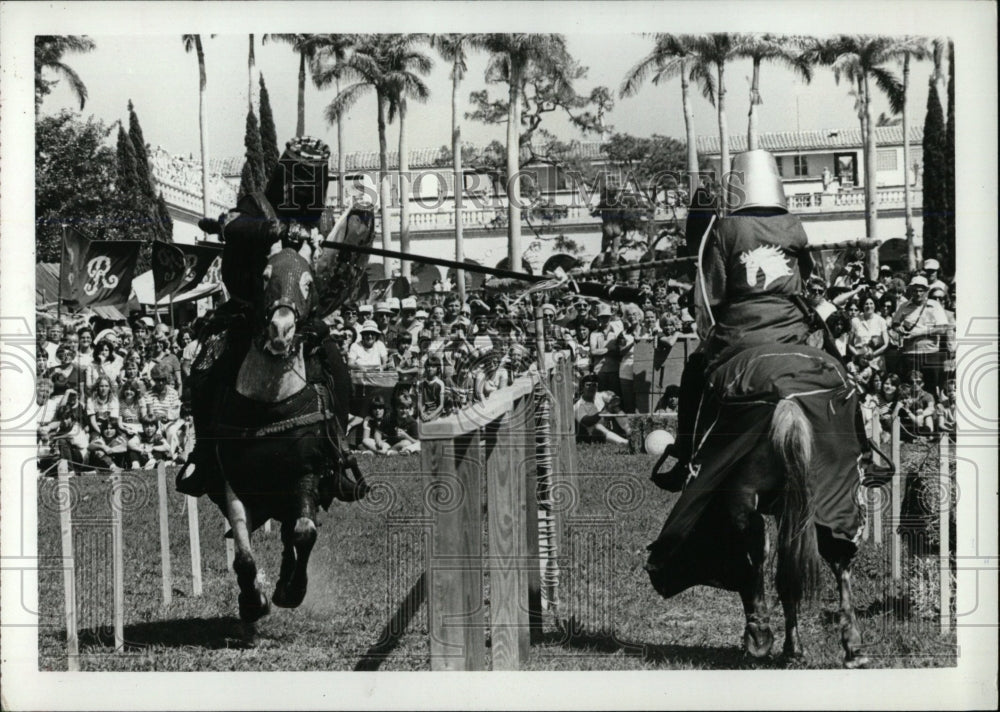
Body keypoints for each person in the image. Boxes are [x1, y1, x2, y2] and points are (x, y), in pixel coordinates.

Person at [890, 275, 950, 395]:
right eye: (915, 290)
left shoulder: (934, 305)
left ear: (926, 291)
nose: (918, 293)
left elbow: (943, 328)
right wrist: (899, 328)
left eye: (921, 290)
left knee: (931, 388)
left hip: (930, 353)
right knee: (909, 389)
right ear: (910, 290)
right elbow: (894, 324)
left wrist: (919, 333)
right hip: (910, 354)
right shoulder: (904, 306)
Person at [574, 373, 628, 445]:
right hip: (590, 436)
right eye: (588, 385)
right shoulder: (577, 405)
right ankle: (625, 443)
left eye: (594, 385)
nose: (591, 388)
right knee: (597, 426)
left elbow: (614, 399)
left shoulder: (600, 395)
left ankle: (629, 431)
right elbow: (587, 421)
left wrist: (612, 399)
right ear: (582, 387)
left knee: (615, 407)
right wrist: (604, 412)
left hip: (606, 430)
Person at [849, 294, 890, 371]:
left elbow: (886, 344)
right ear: (862, 305)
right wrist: (858, 355)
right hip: (859, 360)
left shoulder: (881, 321)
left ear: (875, 305)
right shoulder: (855, 321)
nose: (869, 306)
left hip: (876, 361)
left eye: (871, 303)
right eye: (866, 304)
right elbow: (850, 344)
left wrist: (873, 354)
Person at [418, 354, 446, 422]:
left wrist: (431, 416)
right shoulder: (421, 383)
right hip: (424, 410)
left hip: (436, 411)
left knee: (432, 426)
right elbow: (419, 402)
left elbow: (441, 405)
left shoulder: (440, 384)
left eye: (433, 367)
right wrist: (422, 413)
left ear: (438, 369)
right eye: (428, 366)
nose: (430, 369)